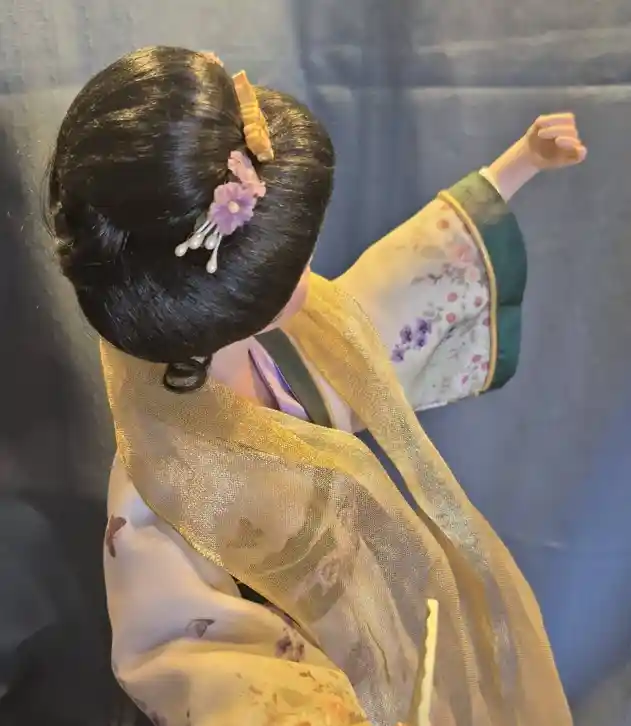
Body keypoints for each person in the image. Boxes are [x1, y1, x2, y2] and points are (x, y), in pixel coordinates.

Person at [46, 45, 587, 726]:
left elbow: (389, 292)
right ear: (223, 300)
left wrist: (517, 166)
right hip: (310, 675)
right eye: (289, 270)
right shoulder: (158, 479)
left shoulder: (296, 343)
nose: (310, 279)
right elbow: (185, 654)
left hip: (379, 616)